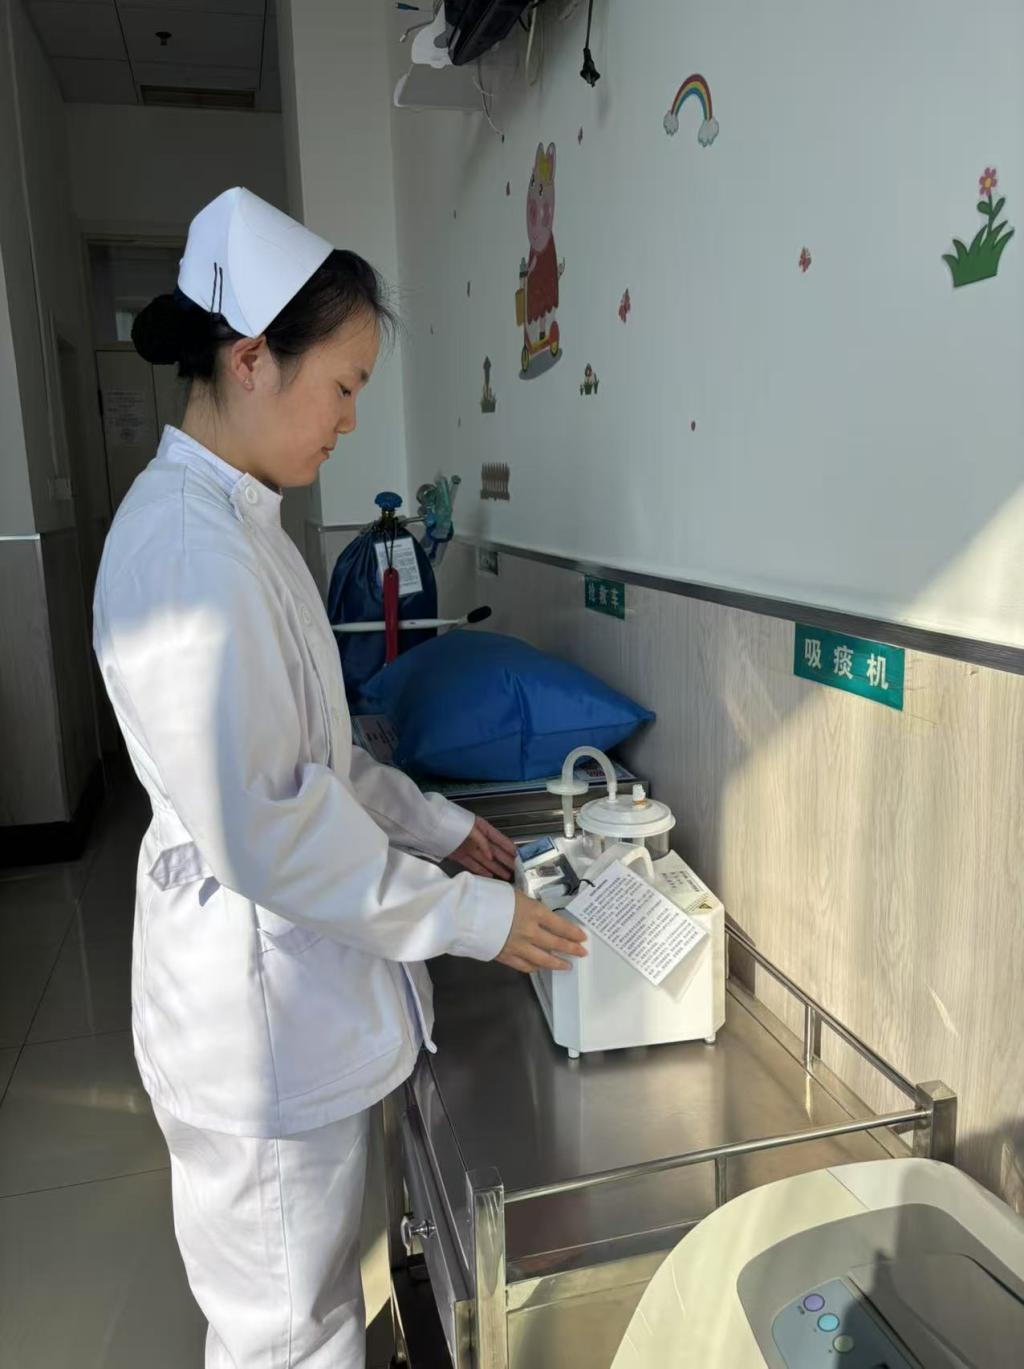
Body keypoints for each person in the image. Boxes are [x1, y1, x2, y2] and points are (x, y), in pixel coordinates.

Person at [92, 187, 587, 1369]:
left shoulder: (242, 528)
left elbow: (319, 759)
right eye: (345, 385)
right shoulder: (189, 553)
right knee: (284, 1332)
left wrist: (438, 826)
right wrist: (469, 917)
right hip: (250, 1023)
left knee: (305, 1306)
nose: (351, 419)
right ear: (252, 359)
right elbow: (268, 827)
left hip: (287, 998)